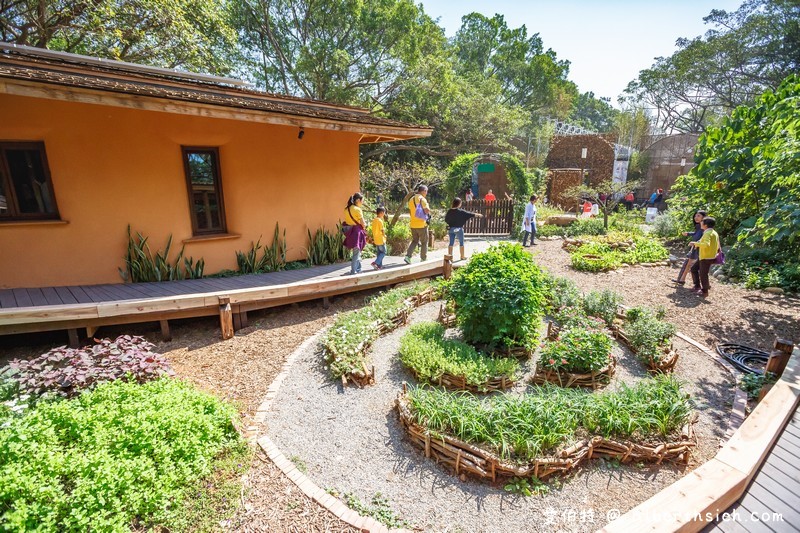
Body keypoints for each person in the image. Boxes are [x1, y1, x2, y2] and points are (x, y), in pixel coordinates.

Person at [672, 210, 707, 285]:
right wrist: (688, 234)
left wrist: (696, 243)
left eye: (698, 216)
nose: (696, 218)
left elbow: (703, 237)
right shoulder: (698, 226)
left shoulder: (704, 227)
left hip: (699, 248)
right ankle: (682, 279)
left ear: (703, 217)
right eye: (695, 216)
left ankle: (700, 285)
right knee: (688, 264)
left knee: (694, 266)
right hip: (694, 247)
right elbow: (696, 234)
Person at [689, 216, 720, 298]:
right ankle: (697, 286)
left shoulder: (707, 233)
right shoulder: (713, 232)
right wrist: (698, 242)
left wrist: (695, 244)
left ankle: (704, 291)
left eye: (702, 222)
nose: (700, 223)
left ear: (705, 225)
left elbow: (706, 244)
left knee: (703, 274)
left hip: (706, 257)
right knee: (694, 269)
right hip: (708, 256)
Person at [404, 185, 430, 264]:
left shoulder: (411, 199)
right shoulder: (422, 199)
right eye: (426, 191)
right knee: (424, 242)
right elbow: (426, 210)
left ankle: (408, 256)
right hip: (422, 224)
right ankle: (423, 259)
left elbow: (411, 212)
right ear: (423, 191)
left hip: (413, 224)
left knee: (415, 241)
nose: (426, 193)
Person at [342, 192, 367, 274]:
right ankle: (353, 271)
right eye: (362, 200)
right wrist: (366, 225)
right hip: (356, 232)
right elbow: (363, 223)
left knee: (357, 251)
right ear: (357, 200)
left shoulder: (346, 209)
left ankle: (358, 269)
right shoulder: (357, 210)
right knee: (356, 252)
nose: (362, 202)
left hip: (349, 232)